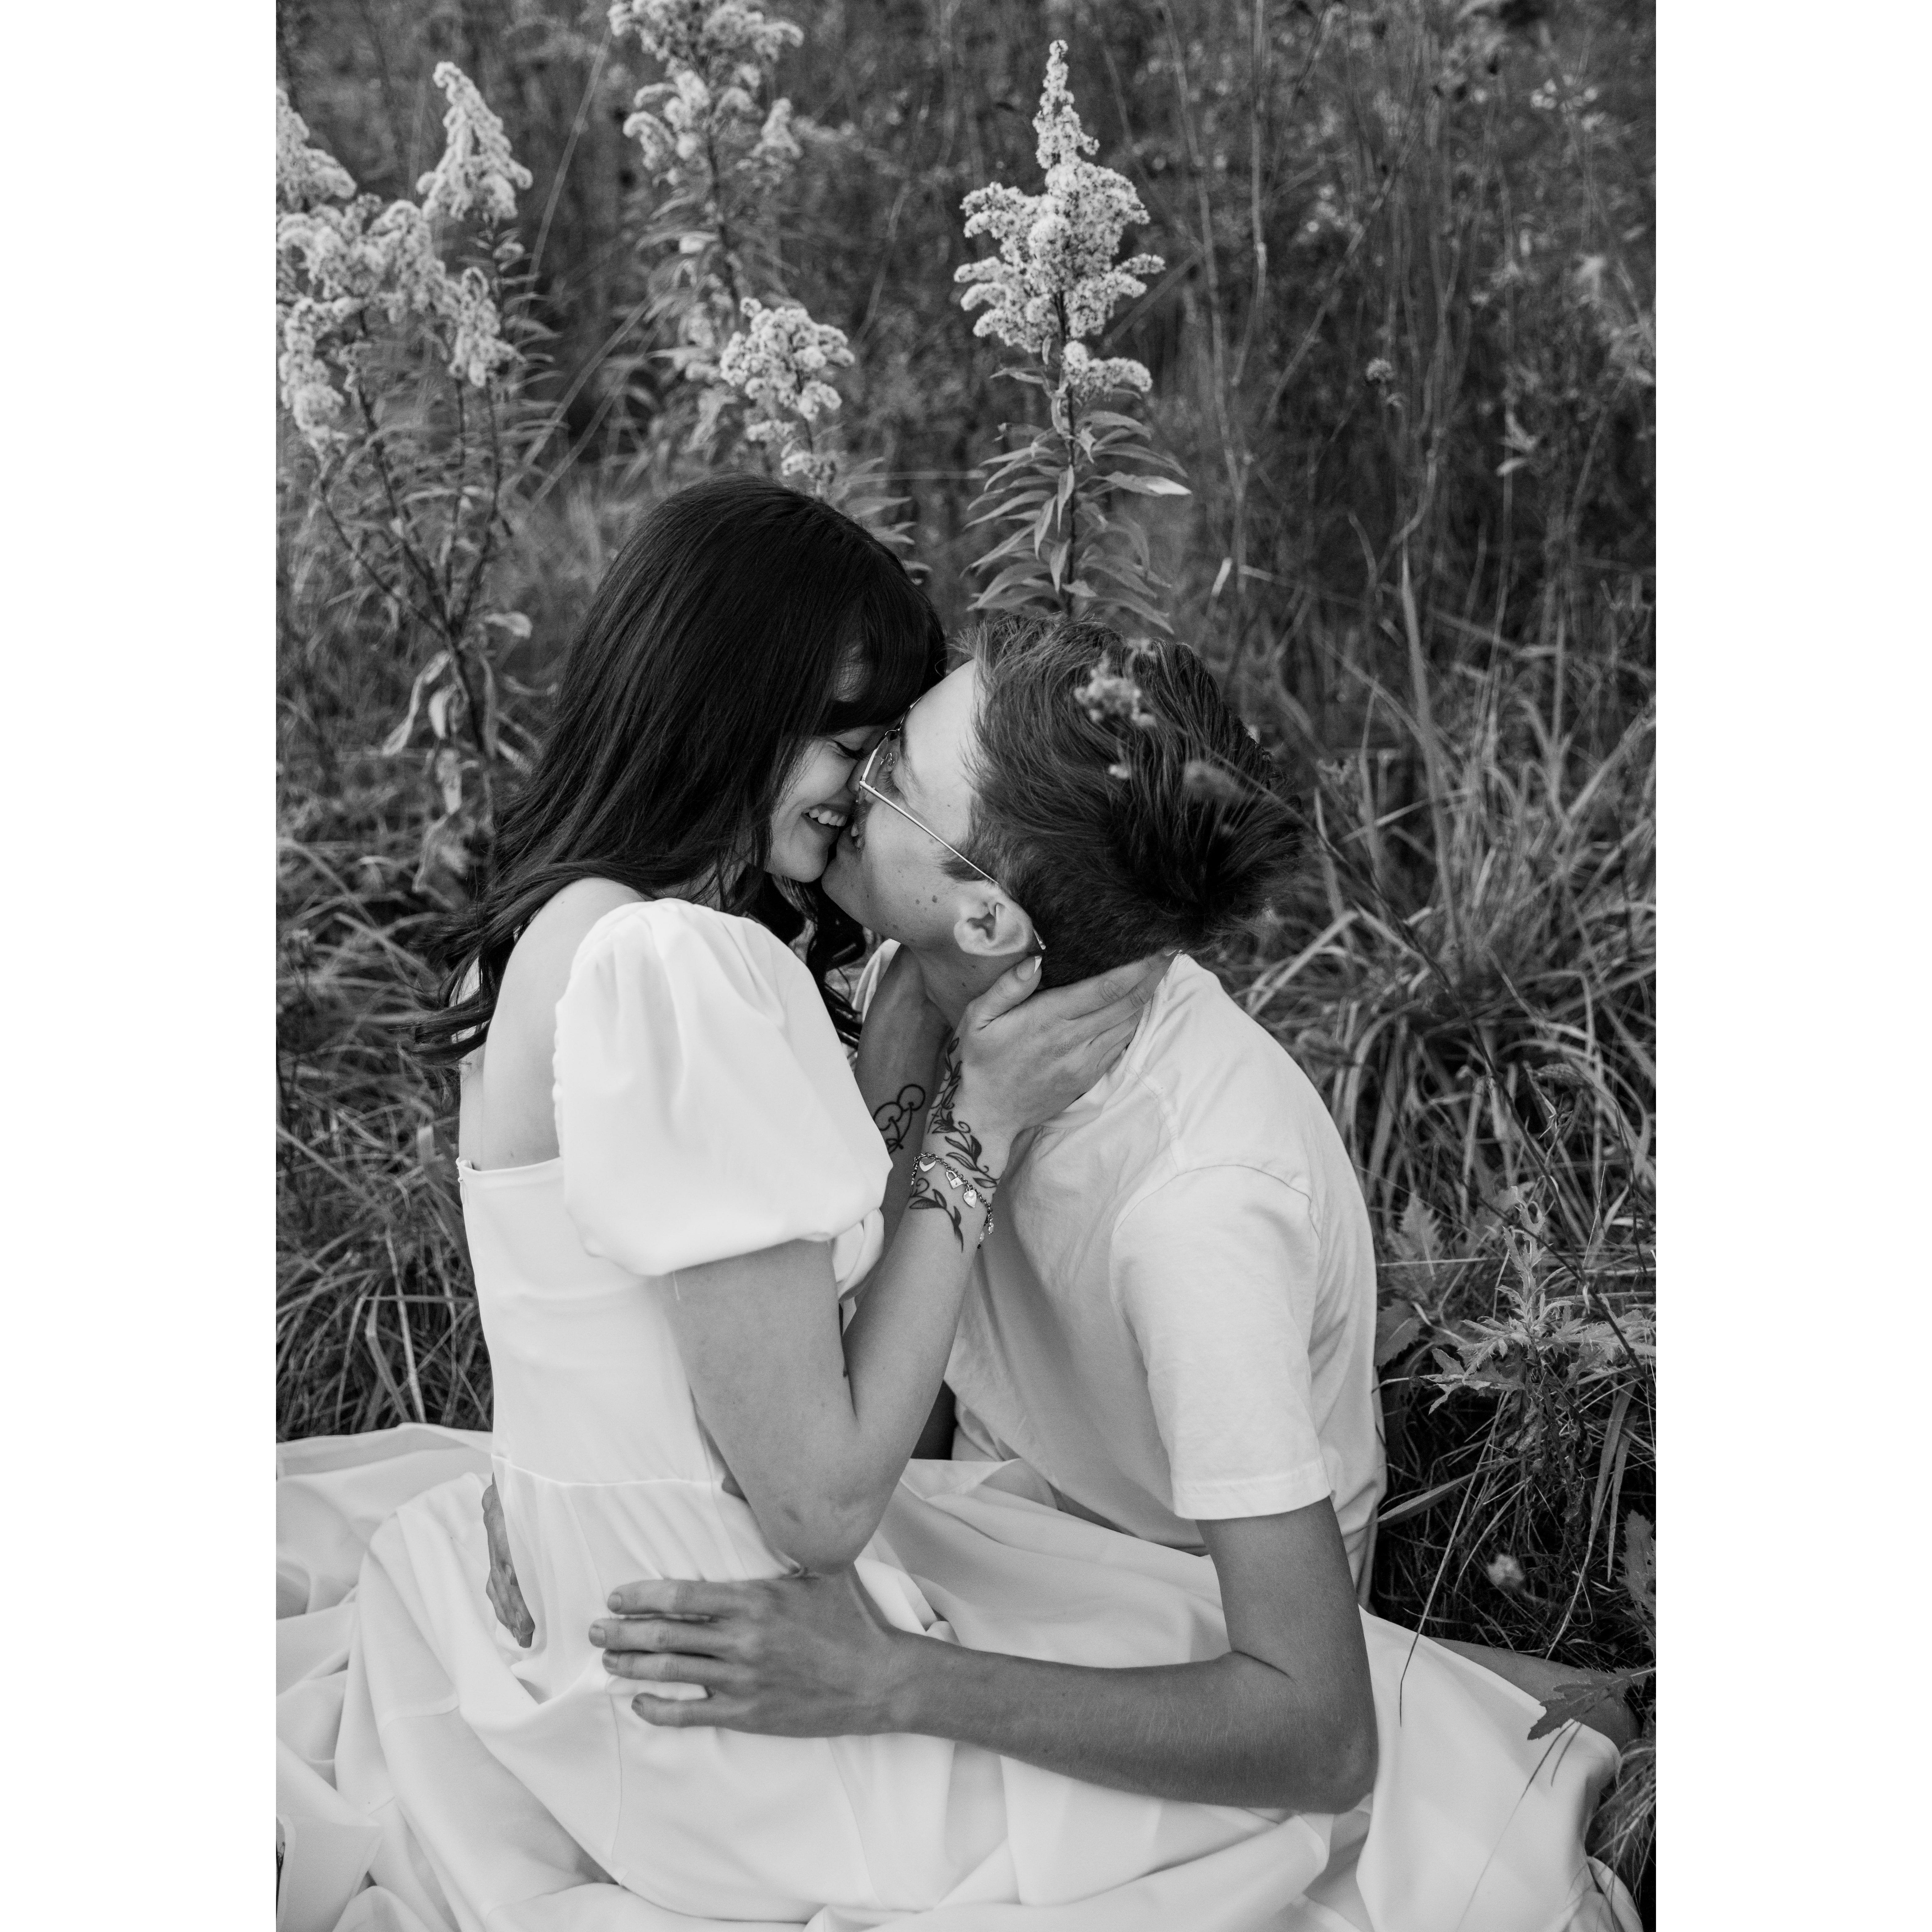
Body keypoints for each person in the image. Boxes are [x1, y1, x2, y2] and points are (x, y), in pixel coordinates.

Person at [276, 487, 1634, 1932]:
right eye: (856, 743)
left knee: (1452, 1765)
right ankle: (1540, 1708)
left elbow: (1306, 1722)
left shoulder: (1190, 1201)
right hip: (768, 1656)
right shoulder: (741, 973)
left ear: (986, 913)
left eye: (889, 764)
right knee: (1450, 1754)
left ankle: (1576, 1725)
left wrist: (874, 1663)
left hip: (1022, 1614)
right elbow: (786, 1410)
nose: (855, 792)